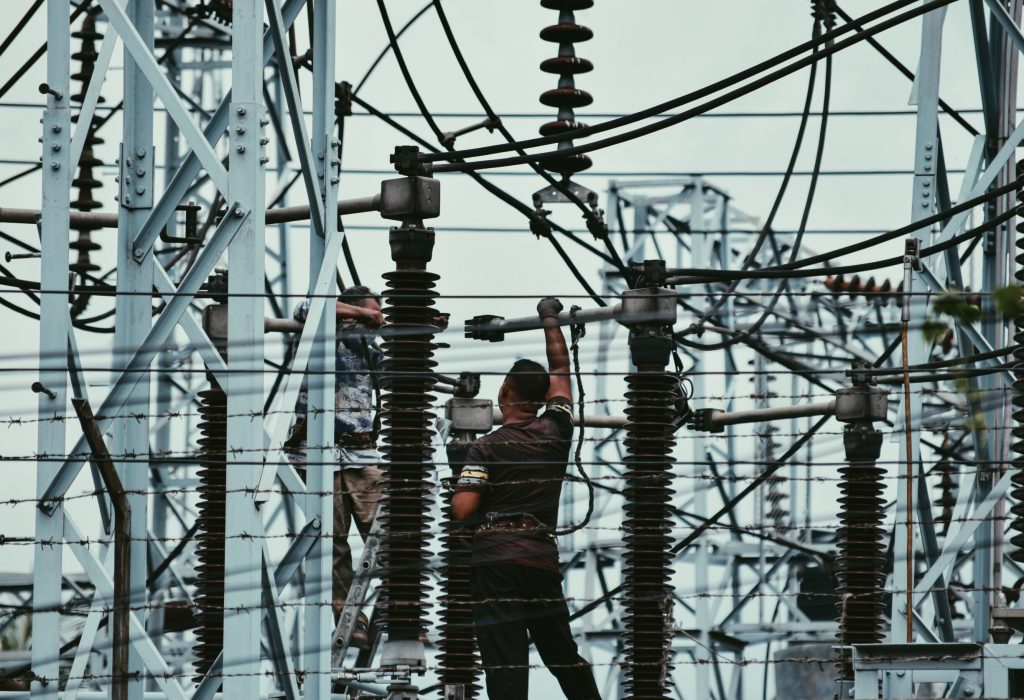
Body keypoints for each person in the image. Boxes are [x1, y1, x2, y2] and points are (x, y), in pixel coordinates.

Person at [452, 297, 601, 700]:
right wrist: (549, 318)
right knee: (562, 655)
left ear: (504, 389)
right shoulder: (556, 430)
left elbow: (464, 509)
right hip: (539, 558)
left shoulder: (485, 448)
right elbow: (560, 371)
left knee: (506, 664)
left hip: (495, 563)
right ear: (540, 400)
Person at [286, 284, 385, 648]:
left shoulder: (369, 352)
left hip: (361, 457)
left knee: (391, 534)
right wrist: (362, 316)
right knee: (333, 546)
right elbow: (306, 306)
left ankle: (392, 608)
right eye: (370, 312)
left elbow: (404, 370)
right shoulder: (311, 337)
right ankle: (350, 620)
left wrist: (415, 327)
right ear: (349, 310)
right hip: (314, 456)